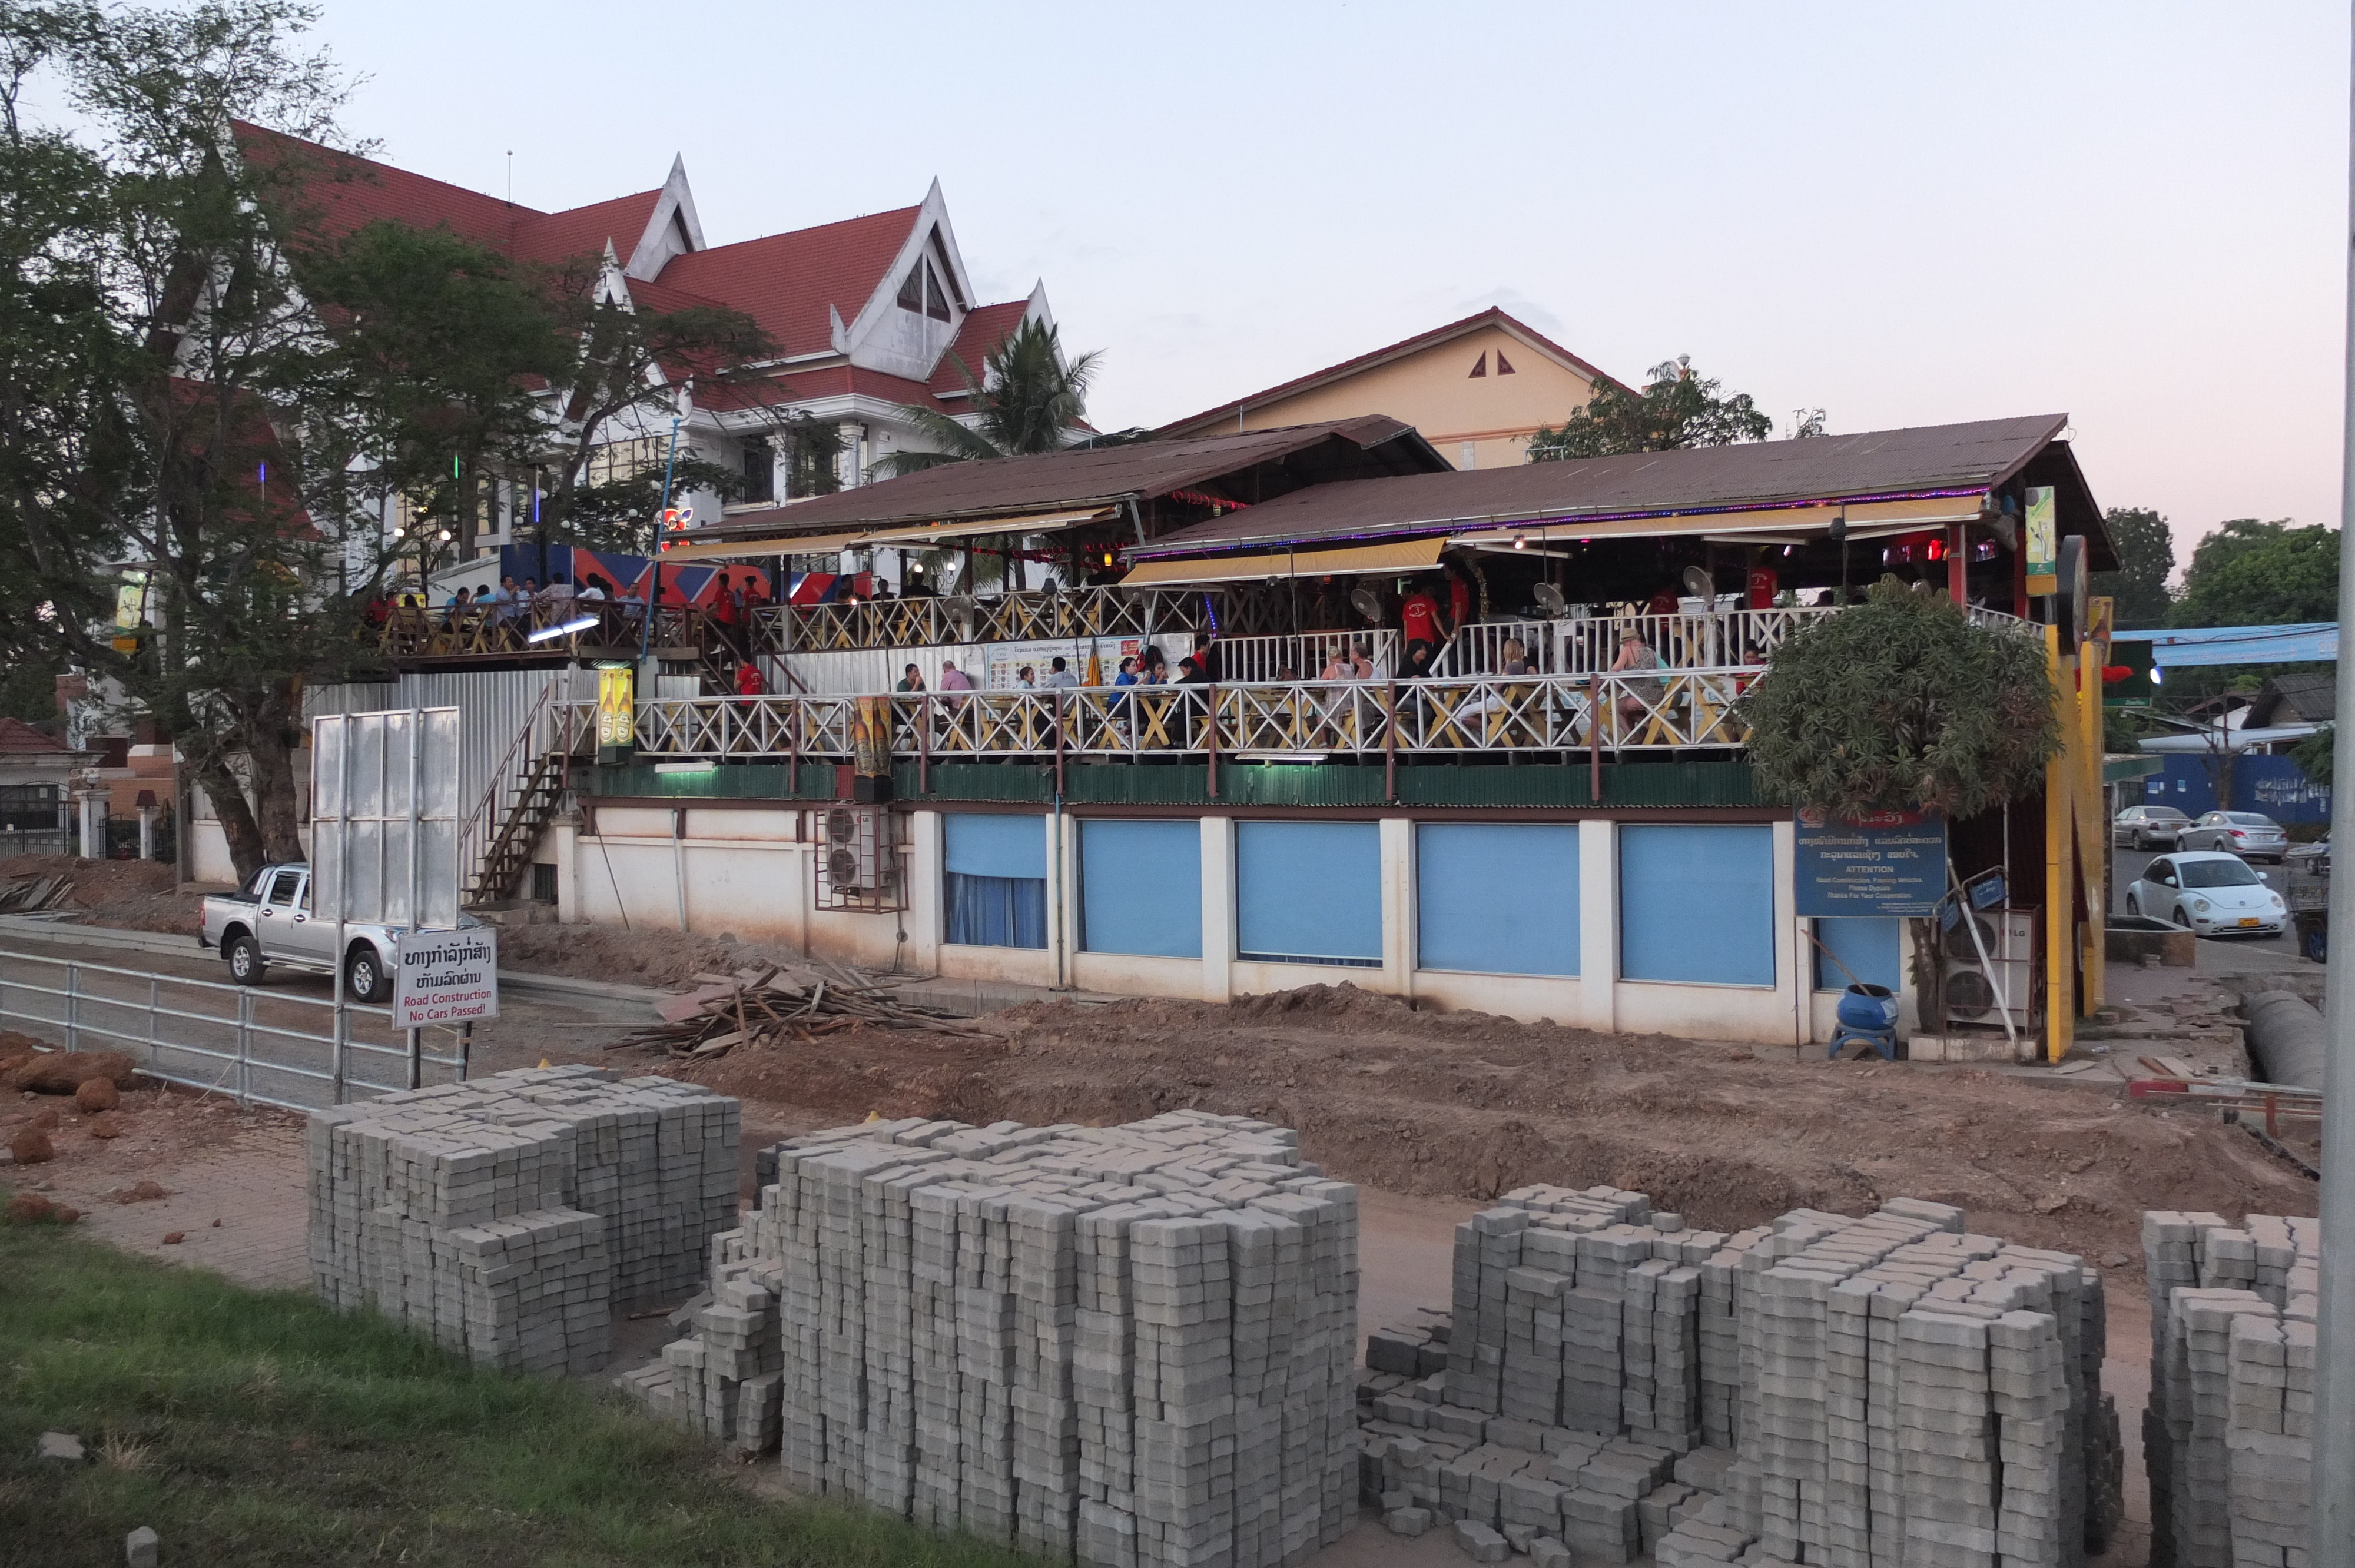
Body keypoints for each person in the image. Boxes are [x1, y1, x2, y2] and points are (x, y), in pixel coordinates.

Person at [1611, 626, 1665, 725]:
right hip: (1658, 696)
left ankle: (1631, 739)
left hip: (1640, 698)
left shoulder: (1628, 649)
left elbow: (1615, 669)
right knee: (1632, 712)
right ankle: (1650, 733)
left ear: (1628, 642)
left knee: (1614, 707)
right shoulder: (1650, 651)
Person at [1400, 577, 1444, 650]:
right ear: (1423, 589)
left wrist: (1406, 645)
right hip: (1427, 639)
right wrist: (1445, 635)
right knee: (1429, 661)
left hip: (1412, 640)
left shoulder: (1407, 606)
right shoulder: (1430, 602)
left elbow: (1406, 627)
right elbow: (1436, 619)